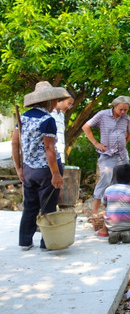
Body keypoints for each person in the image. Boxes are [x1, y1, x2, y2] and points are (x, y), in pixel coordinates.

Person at [11, 81, 71, 250]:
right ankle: (47, 243)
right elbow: (49, 149)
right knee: (48, 207)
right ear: (49, 101)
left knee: (30, 206)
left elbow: (15, 144)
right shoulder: (48, 120)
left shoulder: (23, 117)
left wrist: (19, 169)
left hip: (29, 169)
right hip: (46, 171)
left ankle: (25, 242)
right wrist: (56, 174)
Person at [82, 95, 130, 216]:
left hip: (122, 156)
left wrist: (122, 145)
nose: (123, 112)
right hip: (107, 155)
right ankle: (94, 213)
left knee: (121, 183)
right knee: (105, 180)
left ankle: (116, 212)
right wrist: (96, 143)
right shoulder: (103, 115)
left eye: (126, 109)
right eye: (121, 109)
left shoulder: (126, 118)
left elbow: (128, 134)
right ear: (114, 106)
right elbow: (86, 127)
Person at [50, 93, 75, 164]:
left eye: (71, 105)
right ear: (60, 99)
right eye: (69, 103)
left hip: (60, 158)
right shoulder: (48, 113)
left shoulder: (61, 115)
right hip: (49, 158)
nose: (69, 107)